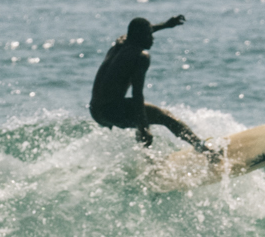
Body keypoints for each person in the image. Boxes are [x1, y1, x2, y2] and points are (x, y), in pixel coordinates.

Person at [90, 13, 212, 153]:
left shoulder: (119, 44)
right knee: (165, 116)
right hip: (111, 110)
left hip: (96, 110)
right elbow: (137, 94)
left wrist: (165, 25)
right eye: (149, 35)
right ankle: (206, 152)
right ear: (140, 37)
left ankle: (151, 164)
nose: (153, 38)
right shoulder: (140, 57)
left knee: (142, 116)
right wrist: (144, 128)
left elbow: (135, 33)